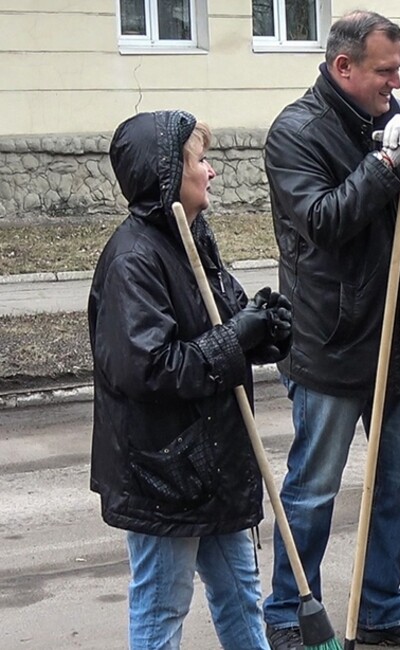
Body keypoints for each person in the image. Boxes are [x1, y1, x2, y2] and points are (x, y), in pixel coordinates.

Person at [260, 10, 400, 650]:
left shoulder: (397, 114)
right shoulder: (295, 133)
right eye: (386, 69)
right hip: (331, 341)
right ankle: (291, 614)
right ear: (343, 66)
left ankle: (381, 605)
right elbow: (323, 221)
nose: (395, 80)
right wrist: (384, 162)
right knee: (314, 490)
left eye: (399, 68)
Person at [89, 110, 292, 649]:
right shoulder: (133, 259)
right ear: (167, 173)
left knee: (241, 595)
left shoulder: (190, 234)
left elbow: (219, 322)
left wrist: (265, 330)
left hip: (215, 461)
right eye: (200, 161)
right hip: (164, 472)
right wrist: (237, 338)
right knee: (162, 606)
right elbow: (151, 369)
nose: (212, 172)